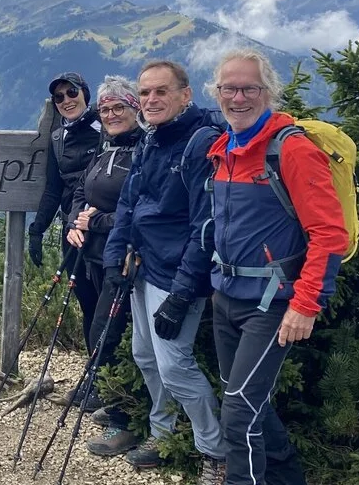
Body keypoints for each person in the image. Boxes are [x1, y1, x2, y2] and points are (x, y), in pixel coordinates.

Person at [206, 49, 347, 485]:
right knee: (251, 405)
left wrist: (306, 304)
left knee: (237, 415)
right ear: (218, 92)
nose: (239, 97)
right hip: (225, 297)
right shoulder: (224, 149)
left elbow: (329, 233)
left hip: (269, 305)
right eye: (229, 88)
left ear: (268, 93)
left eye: (250, 88)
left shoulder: (292, 149)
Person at [86, 59, 227, 484]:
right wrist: (114, 258)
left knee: (174, 365)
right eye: (145, 93)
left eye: (160, 92)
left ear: (185, 95)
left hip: (176, 275)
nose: (151, 100)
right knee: (144, 355)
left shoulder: (200, 143)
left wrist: (184, 293)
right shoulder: (151, 141)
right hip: (142, 268)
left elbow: (206, 227)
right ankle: (162, 435)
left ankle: (215, 452)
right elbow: (130, 203)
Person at [64, 76, 142, 411]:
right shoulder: (105, 145)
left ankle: (115, 396)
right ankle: (98, 381)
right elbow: (81, 190)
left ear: (134, 108)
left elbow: (139, 210)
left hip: (123, 252)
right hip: (91, 250)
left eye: (119, 107)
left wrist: (95, 222)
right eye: (106, 108)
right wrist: (73, 222)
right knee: (96, 319)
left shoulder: (144, 149)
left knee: (110, 325)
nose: (110, 114)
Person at [28, 72, 102, 347]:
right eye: (59, 97)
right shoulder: (58, 137)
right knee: (85, 299)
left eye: (72, 93)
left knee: (108, 303)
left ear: (85, 93)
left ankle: (111, 377)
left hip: (102, 228)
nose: (66, 100)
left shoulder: (106, 128)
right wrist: (37, 231)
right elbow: (53, 189)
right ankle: (94, 373)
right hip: (71, 231)